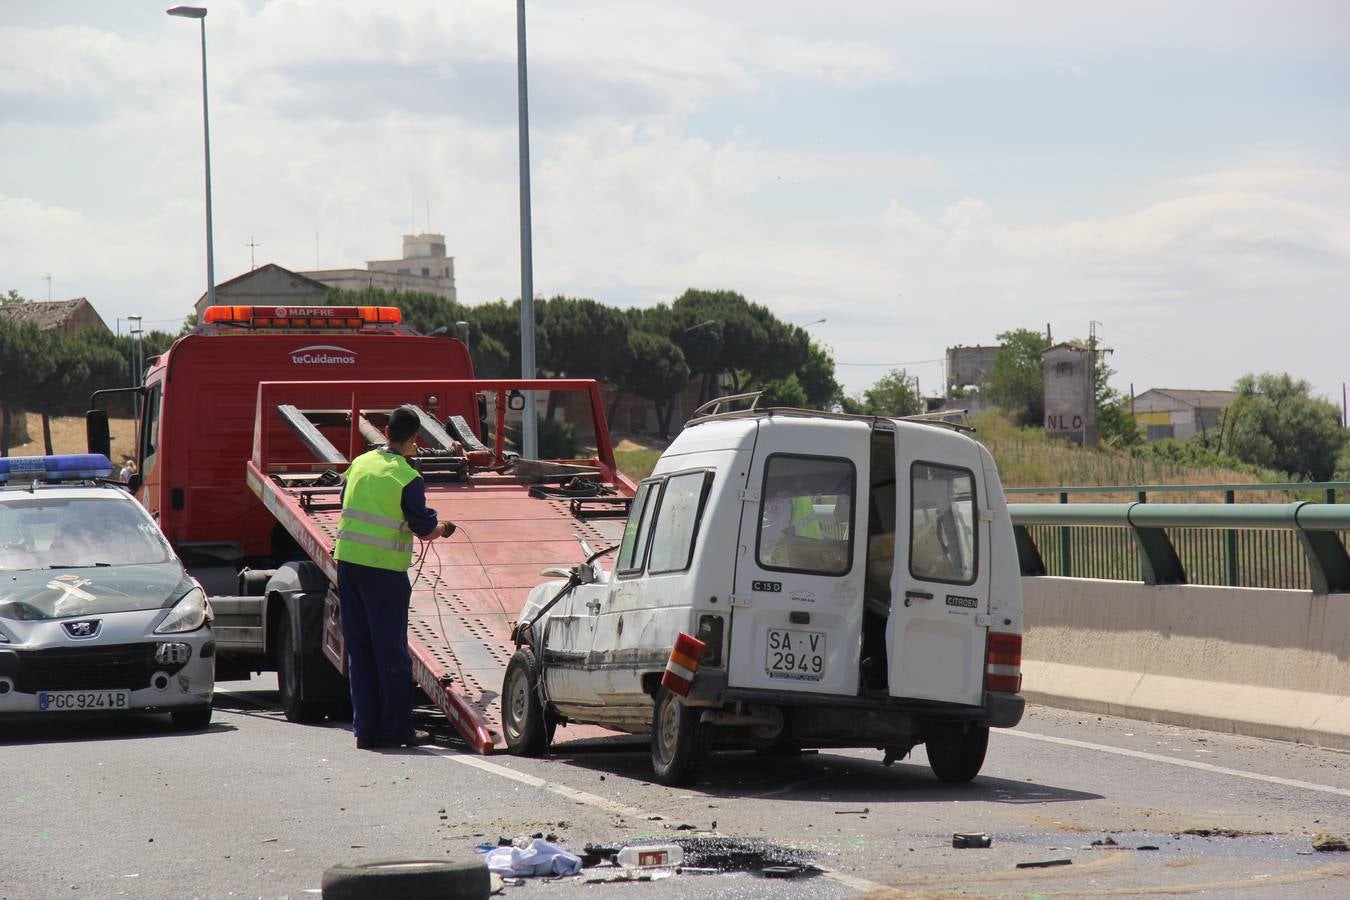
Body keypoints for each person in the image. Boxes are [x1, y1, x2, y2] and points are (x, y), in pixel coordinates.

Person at [334, 405, 455, 750]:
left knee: (360, 650)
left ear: (385, 431)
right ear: (414, 439)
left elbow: (346, 502)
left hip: (348, 566)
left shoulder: (359, 463)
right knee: (390, 652)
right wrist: (445, 528)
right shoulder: (407, 477)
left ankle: (366, 731)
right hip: (383, 572)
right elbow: (425, 528)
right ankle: (396, 730)